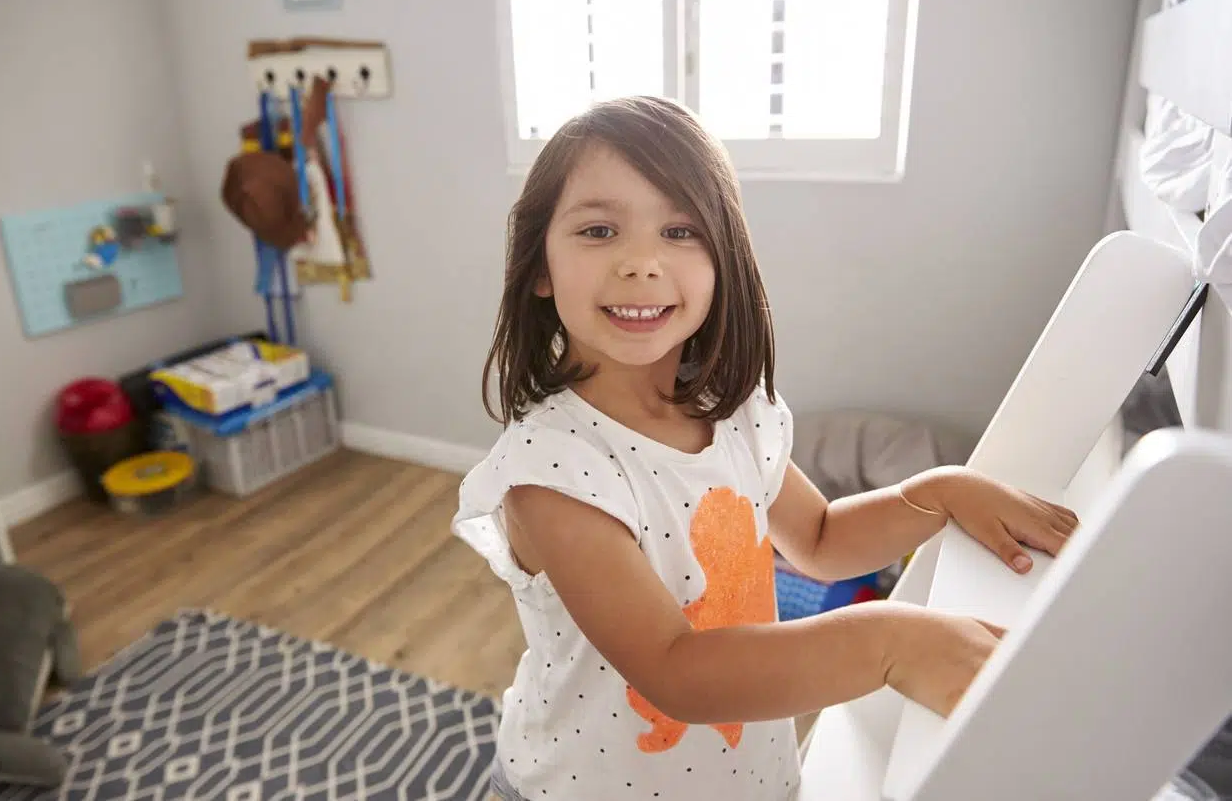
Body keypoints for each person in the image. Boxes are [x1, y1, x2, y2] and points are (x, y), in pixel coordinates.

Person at [453, 95, 1078, 801]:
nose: (641, 262)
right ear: (539, 266)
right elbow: (675, 669)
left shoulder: (737, 414)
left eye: (681, 231)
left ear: (726, 260)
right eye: (599, 230)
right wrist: (890, 644)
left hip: (749, 775)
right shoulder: (551, 473)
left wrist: (938, 494)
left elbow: (818, 536)